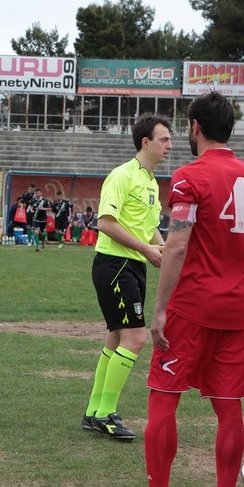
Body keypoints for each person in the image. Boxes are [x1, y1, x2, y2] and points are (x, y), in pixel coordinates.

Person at [124, 91, 244, 487]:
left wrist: (160, 310)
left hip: (190, 309)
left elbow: (177, 245)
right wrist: (233, 289)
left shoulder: (190, 176)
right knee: (229, 409)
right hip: (235, 309)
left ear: (195, 127)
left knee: (163, 398)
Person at [82, 112, 171, 441]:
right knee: (135, 339)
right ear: (146, 142)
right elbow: (105, 223)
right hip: (116, 265)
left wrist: (165, 248)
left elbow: (150, 229)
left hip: (132, 266)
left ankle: (95, 411)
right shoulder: (122, 175)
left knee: (116, 339)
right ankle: (105, 414)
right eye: (164, 139)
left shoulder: (151, 181)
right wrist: (147, 250)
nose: (169, 145)